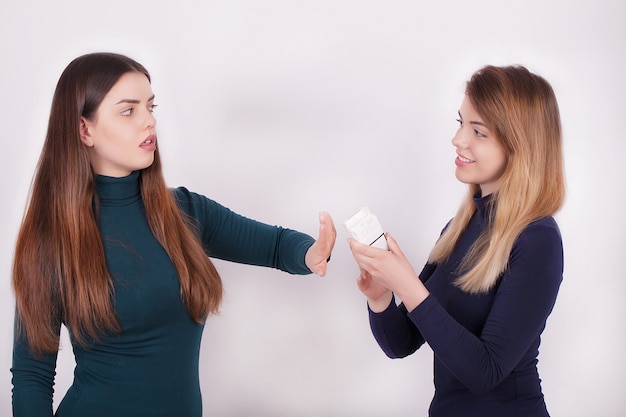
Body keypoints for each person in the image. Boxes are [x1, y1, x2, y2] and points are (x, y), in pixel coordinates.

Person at [11, 52, 336, 417]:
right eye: (128, 110)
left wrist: (311, 253)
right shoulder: (52, 241)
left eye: (151, 107)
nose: (149, 121)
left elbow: (276, 246)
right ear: (84, 129)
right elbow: (32, 376)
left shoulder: (184, 212)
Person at [348, 65, 564, 417]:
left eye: (478, 131)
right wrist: (382, 297)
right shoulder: (460, 227)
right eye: (461, 122)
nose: (458, 139)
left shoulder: (537, 239)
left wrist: (407, 285)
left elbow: (486, 371)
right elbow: (402, 342)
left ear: (520, 146)